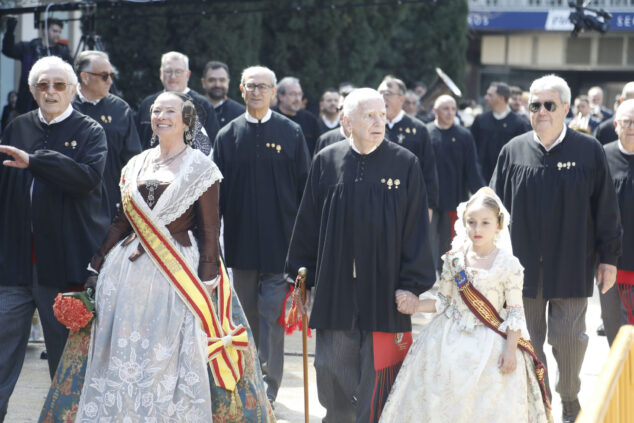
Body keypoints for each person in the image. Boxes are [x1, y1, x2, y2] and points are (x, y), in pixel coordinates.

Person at [40, 91, 274, 422]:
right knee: (122, 350)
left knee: (166, 352)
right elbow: (122, 220)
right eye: (155, 110)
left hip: (175, 273)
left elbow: (209, 230)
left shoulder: (201, 167)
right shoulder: (137, 162)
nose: (160, 116)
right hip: (125, 273)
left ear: (186, 119)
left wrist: (208, 279)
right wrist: (97, 260)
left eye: (169, 111)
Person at [286, 88, 436, 423]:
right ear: (346, 121)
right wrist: (301, 278)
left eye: (382, 115)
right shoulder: (326, 160)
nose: (378, 122)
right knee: (330, 365)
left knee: (378, 369)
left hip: (386, 287)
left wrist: (412, 285)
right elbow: (308, 221)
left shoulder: (405, 163)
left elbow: (416, 229)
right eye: (369, 115)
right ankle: (339, 417)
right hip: (335, 284)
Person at [490, 74, 622, 423]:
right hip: (522, 275)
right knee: (529, 345)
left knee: (570, 343)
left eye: (550, 105)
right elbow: (493, 209)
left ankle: (569, 397)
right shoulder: (512, 151)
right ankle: (540, 400)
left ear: (565, 108)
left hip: (572, 267)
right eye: (535, 105)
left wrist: (609, 258)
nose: (542, 112)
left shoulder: (588, 150)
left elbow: (606, 208)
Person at [380, 187, 552, 423]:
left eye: (485, 223)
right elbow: (443, 302)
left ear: (498, 226)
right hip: (448, 337)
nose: (477, 229)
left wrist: (511, 349)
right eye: (471, 222)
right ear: (463, 223)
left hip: (492, 343)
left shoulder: (508, 264)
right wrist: (415, 305)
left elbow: (514, 312)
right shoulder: (454, 258)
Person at [0, 56, 109, 422]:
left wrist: (36, 161)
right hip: (13, 267)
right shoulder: (16, 127)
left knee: (65, 370)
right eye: (42, 85)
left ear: (74, 90)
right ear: (32, 91)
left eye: (59, 85)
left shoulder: (91, 131)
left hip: (63, 271)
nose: (50, 92)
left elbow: (86, 179)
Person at [213, 66, 310, 405]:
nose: (256, 92)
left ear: (274, 93)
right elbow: (216, 195)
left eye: (263, 87)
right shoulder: (227, 135)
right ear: (241, 90)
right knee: (243, 317)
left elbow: (305, 191)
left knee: (271, 317)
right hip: (239, 246)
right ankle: (244, 381)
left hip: (280, 247)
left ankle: (268, 387)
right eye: (250, 86)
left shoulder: (291, 132)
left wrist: (304, 245)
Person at [72, 50, 142, 220]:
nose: (110, 81)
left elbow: (133, 160)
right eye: (104, 76)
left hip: (111, 202)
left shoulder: (120, 109)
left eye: (112, 75)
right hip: (71, 201)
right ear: (85, 77)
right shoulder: (64, 106)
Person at [427, 95, 485, 273]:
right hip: (428, 201)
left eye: (453, 109)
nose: (450, 113)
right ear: (435, 111)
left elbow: (472, 169)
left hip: (454, 200)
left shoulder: (464, 135)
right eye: (445, 108)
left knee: (450, 245)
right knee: (427, 244)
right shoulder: (426, 133)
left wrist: (482, 196)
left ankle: (449, 282)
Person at [378, 75, 439, 218]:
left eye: (387, 93)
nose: (382, 97)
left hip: (407, 201)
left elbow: (428, 169)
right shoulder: (371, 126)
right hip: (376, 199)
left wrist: (429, 205)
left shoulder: (418, 129)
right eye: (379, 93)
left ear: (402, 98)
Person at [136, 51, 219, 154]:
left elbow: (213, 146)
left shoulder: (203, 105)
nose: (173, 76)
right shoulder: (147, 104)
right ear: (161, 73)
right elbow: (137, 143)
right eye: (168, 71)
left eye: (178, 71)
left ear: (188, 75)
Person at [604, 99, 634, 327]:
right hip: (613, 257)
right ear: (616, 125)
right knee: (615, 324)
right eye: (627, 122)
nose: (632, 127)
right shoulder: (603, 156)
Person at [2, 17, 73, 114]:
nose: (58, 35)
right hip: (27, 104)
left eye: (59, 32)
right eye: (55, 31)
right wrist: (10, 30)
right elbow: (8, 50)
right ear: (44, 30)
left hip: (51, 105)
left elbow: (72, 73)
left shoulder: (62, 53)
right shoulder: (28, 48)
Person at [471, 81, 530, 183]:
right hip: (482, 183)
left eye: (490, 95)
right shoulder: (480, 121)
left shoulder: (519, 124)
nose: (485, 97)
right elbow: (472, 151)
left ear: (501, 98)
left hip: (508, 182)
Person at [274, 76, 322, 156]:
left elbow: (318, 150)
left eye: (299, 94)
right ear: (280, 96)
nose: (297, 99)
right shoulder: (269, 118)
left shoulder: (310, 120)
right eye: (293, 94)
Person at [201, 60, 245, 128]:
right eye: (212, 80)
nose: (217, 85)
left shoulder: (241, 113)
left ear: (228, 83)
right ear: (203, 83)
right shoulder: (192, 110)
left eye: (222, 80)